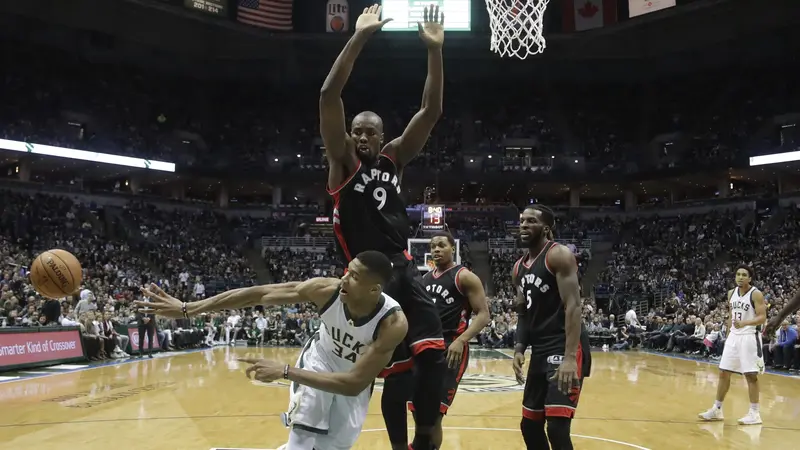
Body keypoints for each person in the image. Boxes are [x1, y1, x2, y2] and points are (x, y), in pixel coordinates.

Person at [318, 4, 445, 449]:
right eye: (357, 131)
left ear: (381, 134)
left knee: (433, 353)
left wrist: (434, 51)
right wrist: (360, 36)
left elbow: (430, 110)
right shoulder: (342, 163)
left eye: (370, 131)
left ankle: (427, 433)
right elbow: (328, 95)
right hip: (367, 279)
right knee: (387, 380)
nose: (363, 137)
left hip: (403, 270)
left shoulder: (394, 159)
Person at [136, 251, 407, 450]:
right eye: (347, 271)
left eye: (354, 277)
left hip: (350, 380)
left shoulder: (392, 324)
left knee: (332, 447)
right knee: (302, 438)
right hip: (319, 361)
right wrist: (188, 308)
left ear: (374, 289)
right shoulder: (326, 290)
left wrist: (285, 371)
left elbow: (352, 384)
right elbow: (260, 294)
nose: (344, 278)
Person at [512, 205, 592, 450]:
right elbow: (523, 313)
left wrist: (569, 358)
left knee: (556, 428)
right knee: (530, 425)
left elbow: (573, 306)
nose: (524, 225)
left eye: (531, 221)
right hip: (540, 349)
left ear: (546, 228)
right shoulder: (518, 268)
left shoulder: (558, 255)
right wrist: (519, 347)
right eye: (521, 220)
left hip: (565, 344)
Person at [408, 232, 491, 448]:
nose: (436, 249)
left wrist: (461, 341)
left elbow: (483, 314)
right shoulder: (424, 279)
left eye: (441, 245)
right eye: (433, 246)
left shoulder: (464, 276)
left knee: (435, 413)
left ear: (452, 248)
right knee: (419, 412)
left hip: (450, 347)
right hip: (425, 348)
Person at [698, 265, 766, 425]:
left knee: (750, 375)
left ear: (750, 278)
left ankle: (755, 413)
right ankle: (717, 409)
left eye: (744, 275)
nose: (740, 277)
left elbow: (762, 317)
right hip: (734, 337)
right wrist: (729, 335)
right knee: (723, 373)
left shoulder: (756, 294)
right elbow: (730, 316)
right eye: (738, 274)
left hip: (749, 335)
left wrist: (745, 323)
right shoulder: (731, 293)